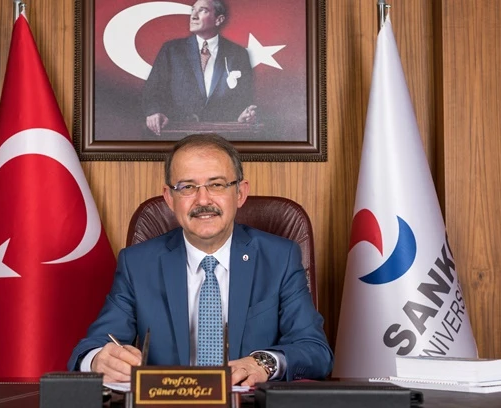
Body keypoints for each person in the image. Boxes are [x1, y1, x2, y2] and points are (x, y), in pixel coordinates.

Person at [68, 133, 333, 386]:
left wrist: (263, 363)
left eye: (217, 185)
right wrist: (97, 360)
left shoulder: (280, 258)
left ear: (240, 193)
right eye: (187, 187)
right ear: (169, 198)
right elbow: (91, 348)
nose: (203, 200)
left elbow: (315, 350)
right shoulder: (137, 264)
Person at [142, 0, 258, 136]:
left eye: (203, 10)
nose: (193, 16)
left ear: (219, 20)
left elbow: (244, 98)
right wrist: (154, 112)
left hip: (220, 137)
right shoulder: (172, 50)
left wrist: (243, 115)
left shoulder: (238, 53)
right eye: (193, 10)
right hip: (177, 134)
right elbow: (152, 90)